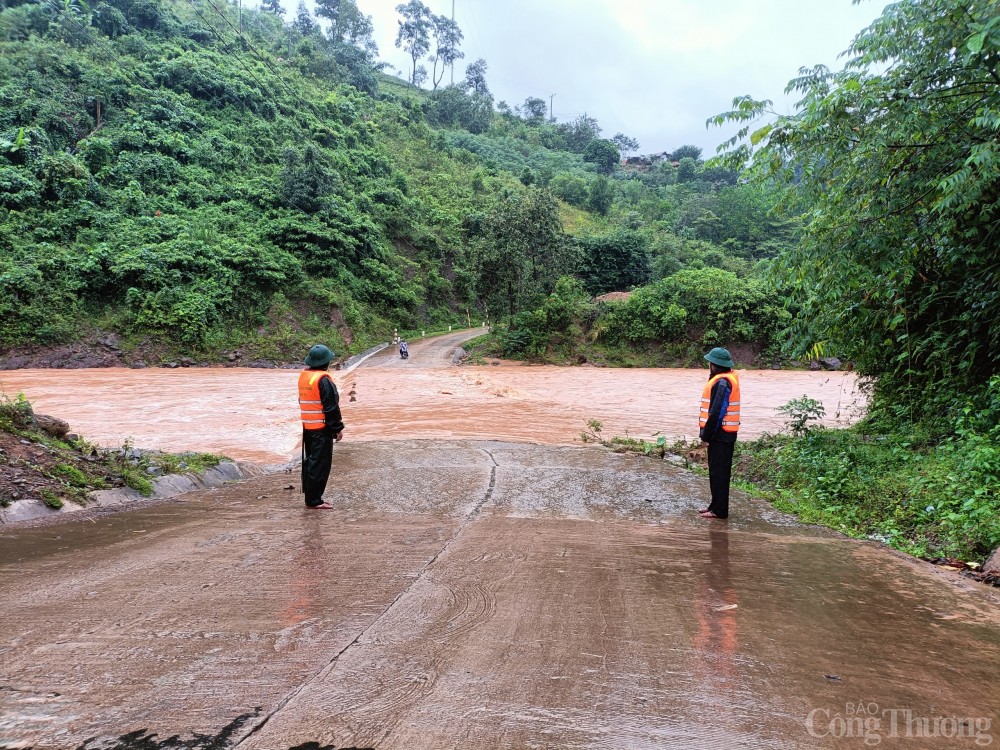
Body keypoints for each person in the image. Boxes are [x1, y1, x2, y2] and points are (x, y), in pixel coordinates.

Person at [298, 344, 345, 510]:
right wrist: (337, 428)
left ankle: (311, 498)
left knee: (311, 463)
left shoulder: (305, 377)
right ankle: (315, 501)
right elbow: (331, 407)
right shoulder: (323, 380)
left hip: (308, 428)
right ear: (326, 362)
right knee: (320, 465)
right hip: (321, 429)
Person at [698, 347, 740, 519]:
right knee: (716, 471)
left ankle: (719, 510)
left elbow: (716, 413)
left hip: (720, 435)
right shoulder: (724, 379)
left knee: (719, 473)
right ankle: (714, 505)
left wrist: (706, 436)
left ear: (715, 365)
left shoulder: (722, 383)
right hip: (722, 434)